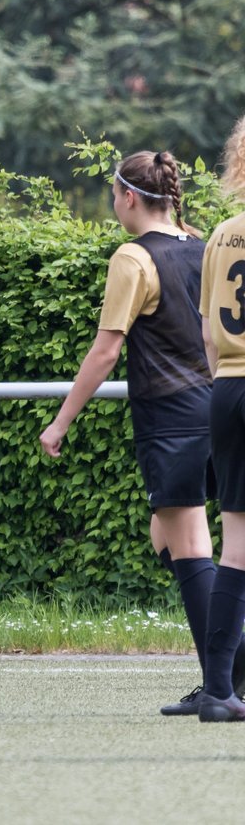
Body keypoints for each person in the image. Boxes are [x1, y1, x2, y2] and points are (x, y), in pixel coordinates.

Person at [39, 150, 245, 715]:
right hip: (217, 411)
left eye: (113, 194)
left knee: (192, 546)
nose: (113, 204)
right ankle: (224, 675)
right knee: (170, 538)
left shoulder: (132, 258)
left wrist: (60, 422)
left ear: (130, 196)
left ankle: (223, 683)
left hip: (171, 421)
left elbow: (106, 350)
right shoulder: (203, 242)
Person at [195, 115, 245, 721]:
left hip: (228, 390)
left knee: (235, 545)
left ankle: (218, 691)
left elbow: (209, 337)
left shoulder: (223, 233)